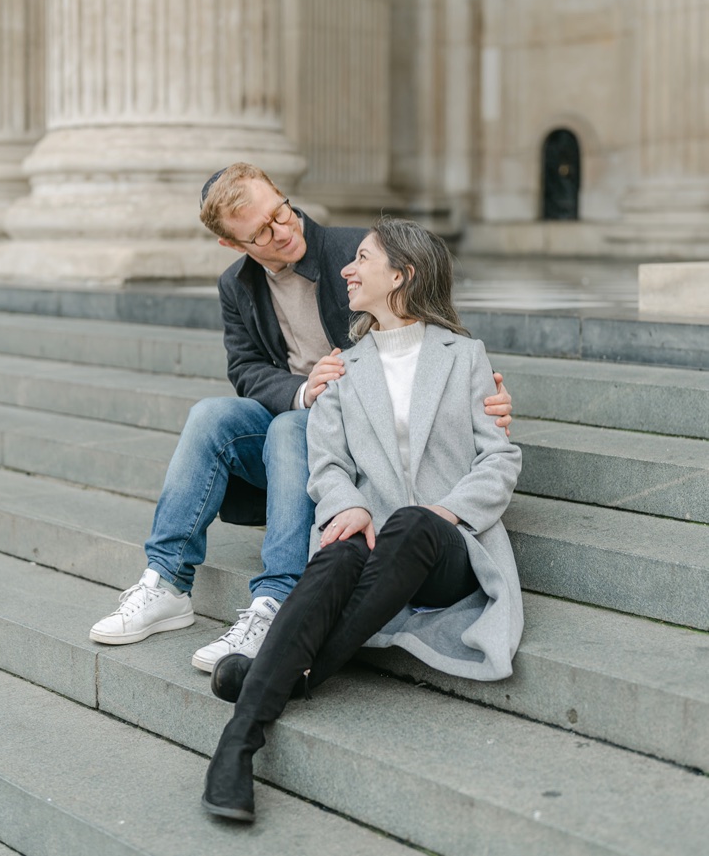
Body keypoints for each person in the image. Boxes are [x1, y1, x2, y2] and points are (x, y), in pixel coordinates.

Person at [87, 164, 513, 676]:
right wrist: (301, 391)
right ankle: (167, 582)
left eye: (281, 212)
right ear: (232, 245)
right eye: (261, 233)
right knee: (212, 416)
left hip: (346, 436)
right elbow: (244, 368)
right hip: (295, 416)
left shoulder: (357, 251)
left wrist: (477, 391)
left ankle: (276, 599)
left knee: (295, 428)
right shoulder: (236, 286)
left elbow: (428, 320)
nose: (283, 231)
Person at [200, 217, 524, 822]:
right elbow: (325, 465)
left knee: (412, 524)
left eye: (363, 259)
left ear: (401, 274)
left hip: (449, 548)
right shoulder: (344, 366)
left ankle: (282, 674)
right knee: (340, 548)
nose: (346, 269)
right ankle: (236, 748)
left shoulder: (465, 357)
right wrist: (345, 503)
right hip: (376, 548)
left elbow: (500, 457)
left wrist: (446, 510)